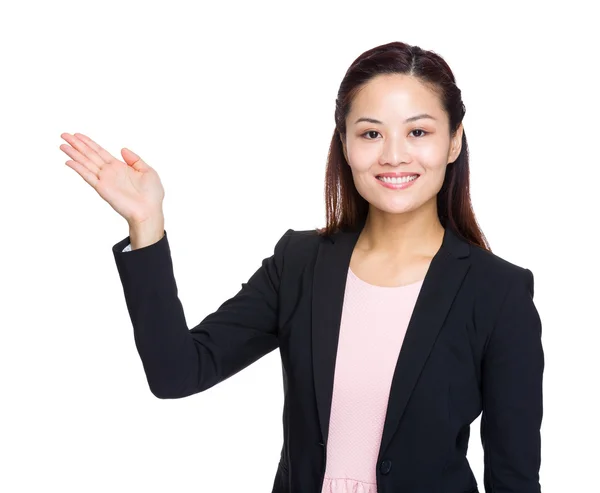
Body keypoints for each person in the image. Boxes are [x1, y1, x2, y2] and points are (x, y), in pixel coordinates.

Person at [59, 41, 544, 493]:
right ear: (346, 144)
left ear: (454, 142)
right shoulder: (301, 264)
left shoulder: (498, 292)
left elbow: (513, 478)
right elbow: (176, 373)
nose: (394, 155)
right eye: (371, 133)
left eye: (418, 132)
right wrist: (147, 224)